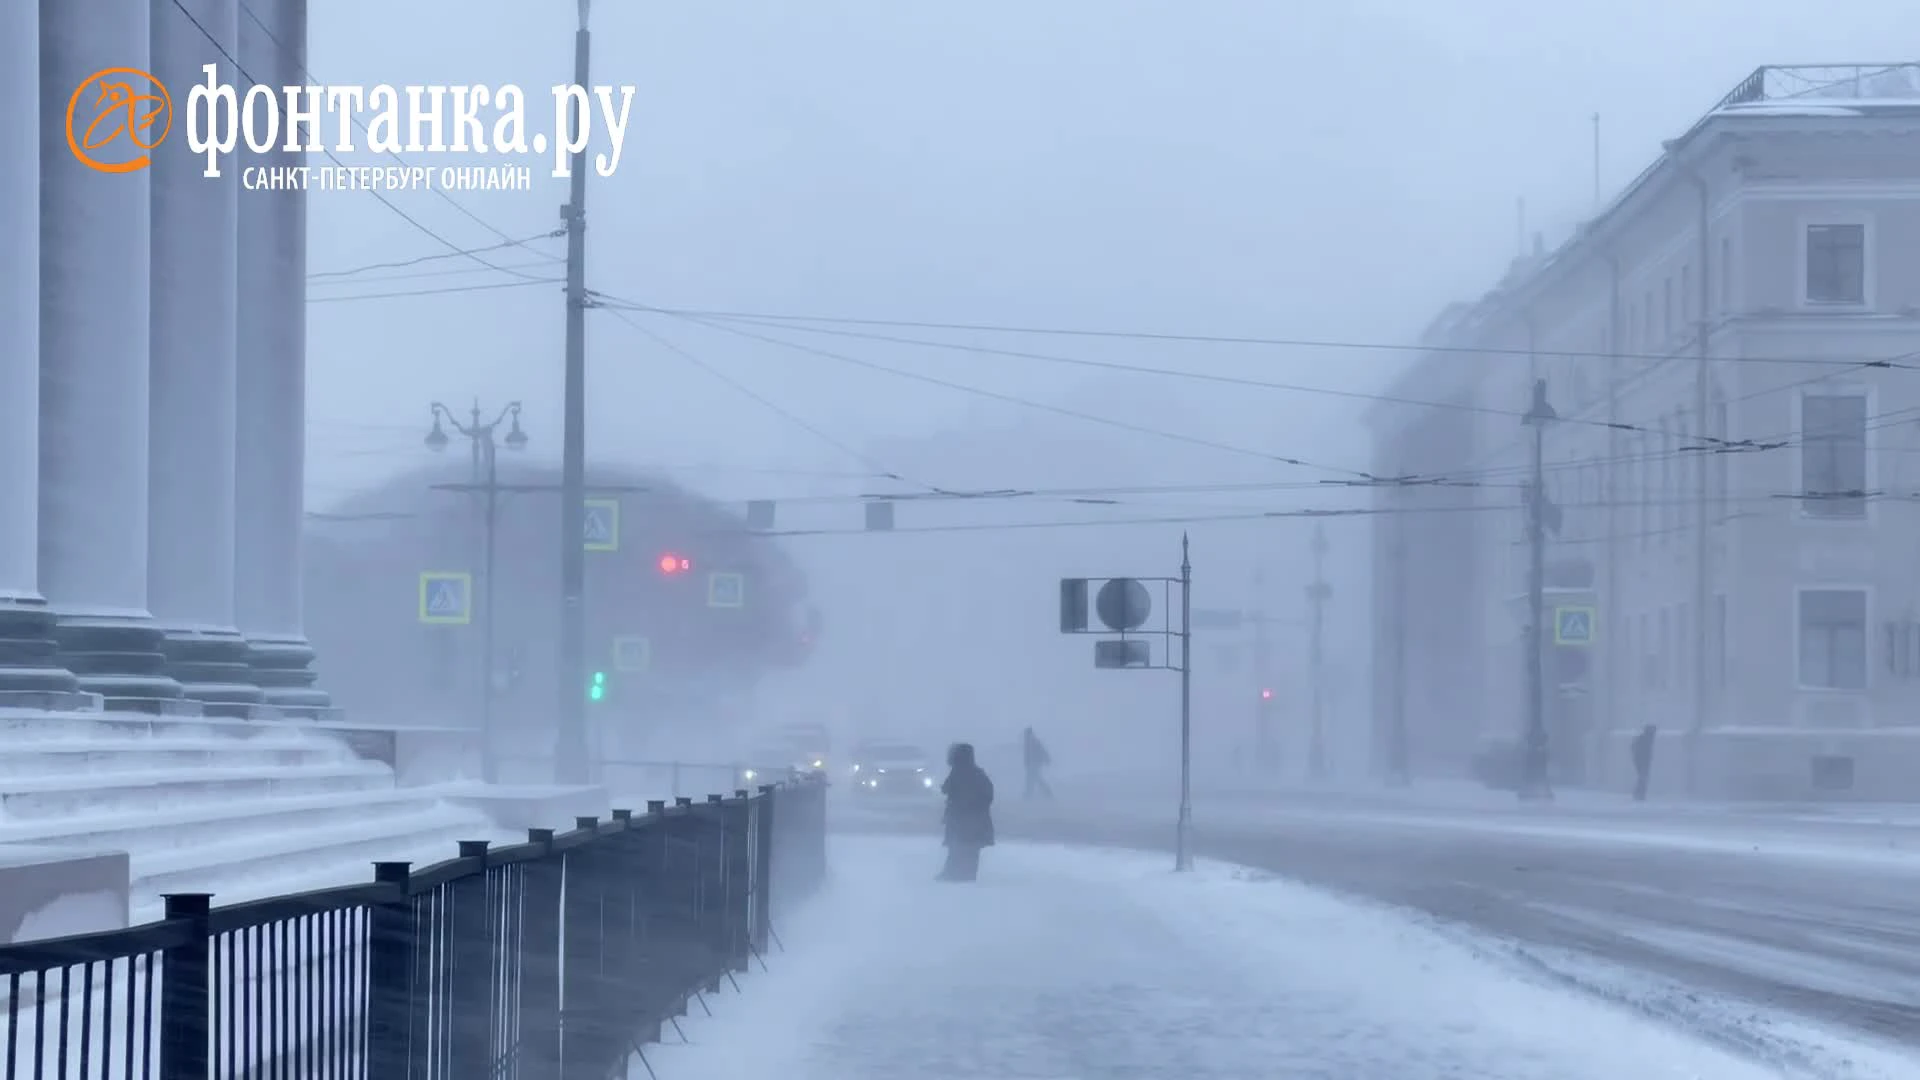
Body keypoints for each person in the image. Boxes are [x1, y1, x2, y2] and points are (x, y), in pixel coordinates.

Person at [938, 742, 995, 882]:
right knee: (970, 849)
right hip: (974, 819)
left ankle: (955, 873)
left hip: (962, 818)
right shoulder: (977, 772)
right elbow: (988, 794)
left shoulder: (958, 772)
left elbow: (946, 788)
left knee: (959, 847)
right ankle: (963, 874)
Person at [1022, 725, 1053, 800]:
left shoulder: (1032, 741)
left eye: (1025, 734)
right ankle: (1045, 793)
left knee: (1034, 779)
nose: (1024, 735)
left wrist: (1046, 759)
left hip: (1034, 763)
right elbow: (1029, 753)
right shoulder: (1031, 740)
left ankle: (1030, 795)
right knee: (1035, 779)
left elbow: (1037, 751)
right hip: (1033, 763)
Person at [1630, 724, 1657, 801]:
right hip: (1642, 761)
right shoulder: (1645, 738)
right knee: (1643, 777)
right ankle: (1639, 794)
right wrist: (1639, 757)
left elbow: (1633, 747)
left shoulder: (1646, 738)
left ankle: (1639, 794)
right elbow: (1635, 748)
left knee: (1643, 777)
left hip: (1643, 761)